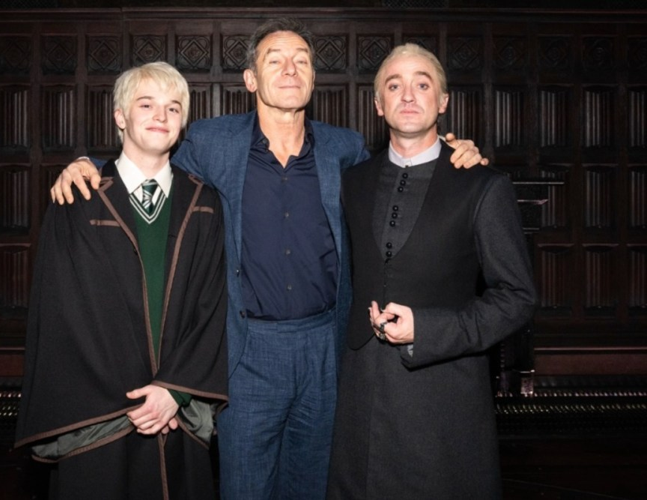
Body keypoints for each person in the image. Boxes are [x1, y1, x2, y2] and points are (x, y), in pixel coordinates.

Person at [49, 19, 485, 500]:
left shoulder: (344, 148)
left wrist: (451, 152)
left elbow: (401, 171)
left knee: (313, 486)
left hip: (325, 347)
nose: (290, 69)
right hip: (247, 352)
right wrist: (90, 166)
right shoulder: (212, 143)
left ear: (313, 78)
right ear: (251, 79)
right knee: (245, 487)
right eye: (275, 60)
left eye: (302, 61)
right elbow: (150, 163)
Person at [326, 43, 538, 499]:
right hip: (362, 400)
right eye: (394, 86)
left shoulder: (483, 186)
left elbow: (517, 297)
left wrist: (428, 329)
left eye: (422, 85)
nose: (408, 95)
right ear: (378, 104)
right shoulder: (352, 182)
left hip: (443, 400)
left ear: (442, 102)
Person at [15, 62, 228, 500]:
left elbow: (212, 307)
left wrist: (174, 390)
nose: (160, 116)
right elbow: (61, 314)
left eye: (173, 108)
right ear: (119, 116)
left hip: (176, 412)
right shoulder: (77, 199)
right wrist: (131, 397)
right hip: (98, 411)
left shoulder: (204, 202)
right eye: (146, 104)